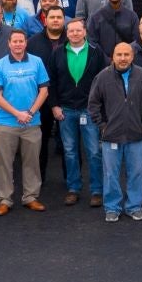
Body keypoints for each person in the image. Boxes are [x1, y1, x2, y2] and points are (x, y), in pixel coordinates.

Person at [89, 41, 142, 222]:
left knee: (136, 172)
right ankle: (112, 207)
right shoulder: (102, 77)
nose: (123, 58)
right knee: (111, 173)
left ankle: (134, 206)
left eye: (126, 55)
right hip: (110, 135)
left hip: (136, 135)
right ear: (113, 56)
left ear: (132, 56)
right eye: (119, 55)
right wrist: (103, 125)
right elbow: (94, 104)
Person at [0, 29, 50, 216]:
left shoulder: (37, 62)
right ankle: (5, 199)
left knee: (32, 162)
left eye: (21, 41)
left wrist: (30, 113)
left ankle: (30, 197)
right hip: (6, 123)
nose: (17, 44)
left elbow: (44, 91)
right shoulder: (0, 65)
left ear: (26, 43)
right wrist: (18, 113)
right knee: (4, 163)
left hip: (31, 122)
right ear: (9, 43)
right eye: (14, 41)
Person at [50, 16, 106, 207]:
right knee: (70, 152)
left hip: (89, 110)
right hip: (65, 111)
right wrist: (54, 105)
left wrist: (99, 107)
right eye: (71, 30)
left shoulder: (96, 53)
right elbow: (52, 82)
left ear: (85, 32)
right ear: (67, 33)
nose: (74, 33)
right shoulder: (57, 53)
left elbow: (103, 82)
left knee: (93, 152)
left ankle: (97, 190)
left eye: (78, 30)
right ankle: (73, 188)